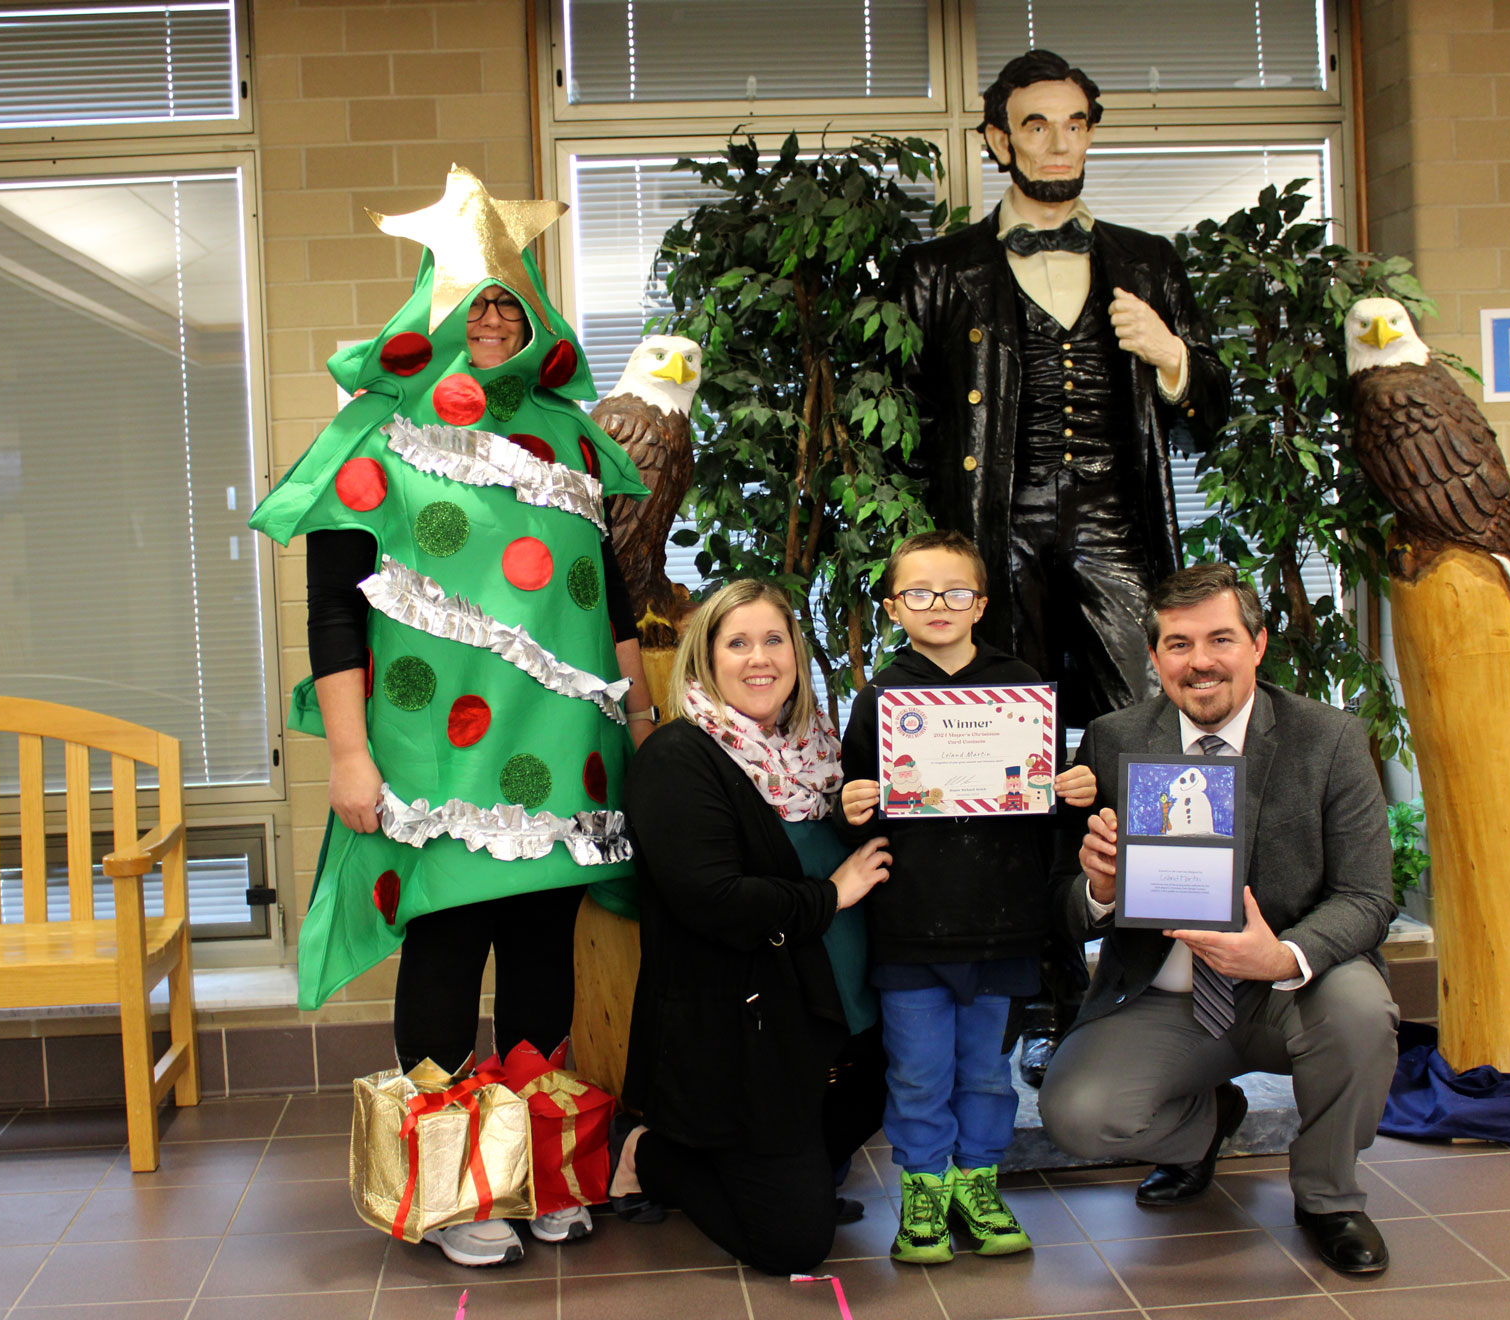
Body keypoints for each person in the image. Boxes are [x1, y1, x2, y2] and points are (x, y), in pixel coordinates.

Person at [249, 167, 655, 1267]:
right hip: (434, 753)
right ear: (430, 309)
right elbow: (333, 603)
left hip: (563, 753)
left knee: (540, 963)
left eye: (505, 303)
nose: (488, 319)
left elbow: (607, 592)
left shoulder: (569, 439)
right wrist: (347, 751)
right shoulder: (378, 431)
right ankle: (447, 1191)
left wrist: (639, 713)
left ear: (532, 319)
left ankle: (530, 1172)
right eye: (470, 300)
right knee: (443, 953)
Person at [1036, 564, 1400, 1276]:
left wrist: (1282, 956)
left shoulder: (1329, 738)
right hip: (1161, 997)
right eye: (1178, 644)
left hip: (1289, 992)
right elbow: (1064, 903)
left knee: (1362, 1010)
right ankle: (1208, 1126)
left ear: (1258, 645)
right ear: (1155, 658)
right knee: (1075, 1114)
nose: (1199, 661)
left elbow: (1368, 897)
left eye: (1220, 639)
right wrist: (1100, 888)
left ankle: (1329, 1197)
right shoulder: (1111, 741)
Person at [889, 49, 1228, 730]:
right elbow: (903, 423)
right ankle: (1026, 842)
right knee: (999, 724)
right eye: (1037, 126)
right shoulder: (936, 269)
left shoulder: (1150, 260)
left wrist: (1171, 356)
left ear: (1091, 134)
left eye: (1075, 125)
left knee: (1149, 716)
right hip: (996, 525)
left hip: (1115, 520)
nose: (1059, 144)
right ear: (999, 140)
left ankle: (1143, 840)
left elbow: (1213, 418)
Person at [613, 579, 893, 1276]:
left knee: (887, 1090)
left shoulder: (817, 751)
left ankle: (776, 1165)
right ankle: (649, 1153)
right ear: (706, 660)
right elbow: (715, 899)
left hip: (836, 1021)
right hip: (745, 1037)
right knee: (793, 1243)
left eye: (774, 640)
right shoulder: (678, 758)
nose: (759, 658)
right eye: (737, 643)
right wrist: (831, 894)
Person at [837, 530, 1098, 1265]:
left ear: (980, 602)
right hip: (911, 927)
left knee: (986, 1072)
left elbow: (1045, 803)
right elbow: (858, 801)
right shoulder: (881, 698)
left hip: (1003, 924)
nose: (938, 605)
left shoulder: (1019, 684)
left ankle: (978, 1183)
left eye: (956, 592)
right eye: (918, 592)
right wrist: (849, 801)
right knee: (918, 1071)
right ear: (894, 605)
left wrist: (1071, 791)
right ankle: (923, 1187)